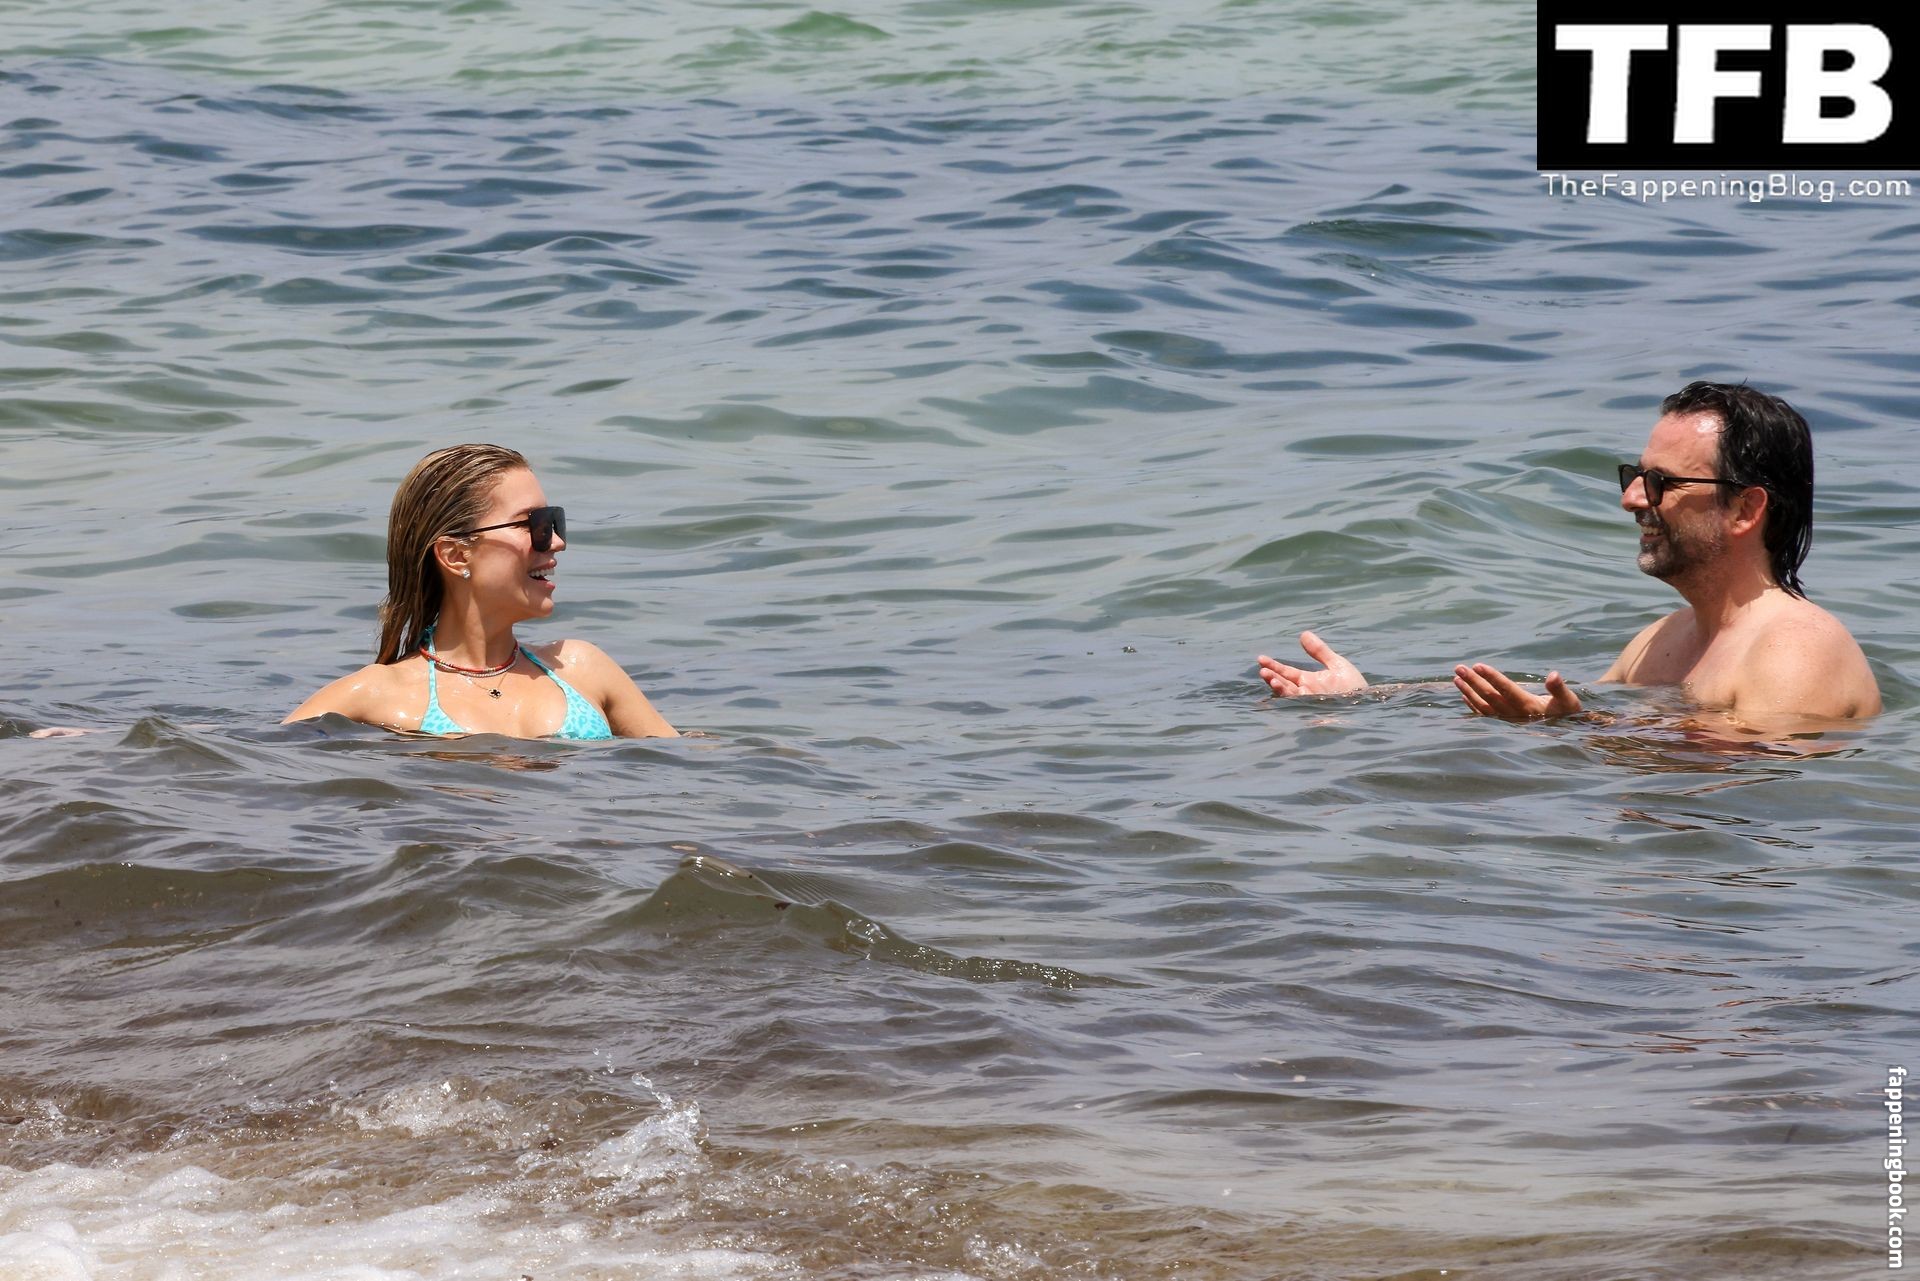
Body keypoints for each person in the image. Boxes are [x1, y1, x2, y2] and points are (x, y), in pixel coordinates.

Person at [1257, 382, 1881, 726]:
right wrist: (1366, 699)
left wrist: (1574, 733)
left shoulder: (1795, 648)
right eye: (1634, 477)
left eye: (1661, 483)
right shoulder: (1662, 639)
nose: (1632, 499)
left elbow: (1750, 800)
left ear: (1745, 509)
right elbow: (1548, 702)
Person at [286, 444, 678, 739]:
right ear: (456, 555)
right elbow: (265, 778)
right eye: (533, 525)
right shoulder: (374, 694)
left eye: (554, 521)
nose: (556, 542)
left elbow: (684, 768)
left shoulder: (580, 669)